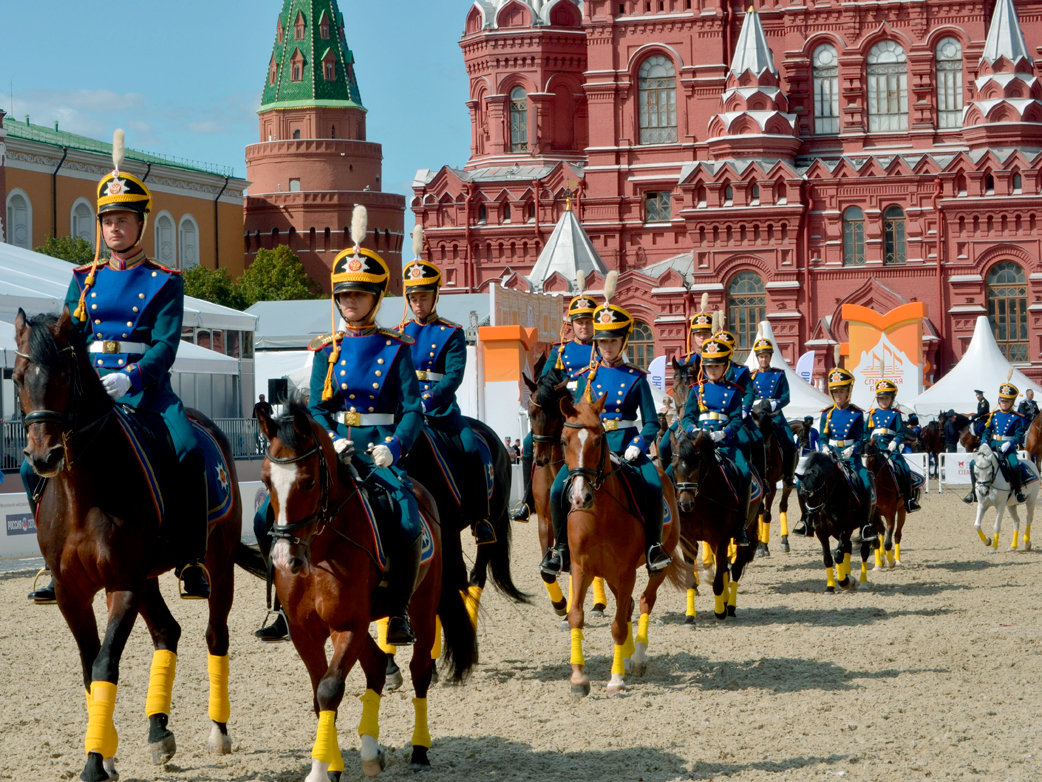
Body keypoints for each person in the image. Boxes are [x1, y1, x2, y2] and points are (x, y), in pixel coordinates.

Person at [24, 136, 209, 602]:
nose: (114, 228)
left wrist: (133, 376)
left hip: (145, 392)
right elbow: (67, 338)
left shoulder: (164, 281)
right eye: (108, 220)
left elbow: (166, 345)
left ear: (140, 223)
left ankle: (189, 556)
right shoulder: (81, 281)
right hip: (88, 395)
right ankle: (54, 562)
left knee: (188, 450)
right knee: (34, 470)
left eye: (122, 220)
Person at [540, 298, 672, 576]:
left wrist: (639, 445)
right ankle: (560, 549)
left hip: (626, 445)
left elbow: (650, 423)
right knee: (555, 490)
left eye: (612, 341)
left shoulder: (637, 378)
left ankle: (653, 547)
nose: (607, 347)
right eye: (602, 342)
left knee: (654, 485)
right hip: (591, 449)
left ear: (623, 342)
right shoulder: (586, 377)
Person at [399, 238, 494, 545]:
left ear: (435, 296)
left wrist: (425, 402)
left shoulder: (451, 332)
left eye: (423, 297)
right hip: (405, 412)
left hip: (440, 413)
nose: (418, 303)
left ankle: (481, 519)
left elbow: (453, 376)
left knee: (470, 449)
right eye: (413, 297)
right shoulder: (399, 335)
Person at [511, 286, 597, 521]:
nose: (583, 326)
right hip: (563, 413)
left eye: (588, 321)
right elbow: (545, 382)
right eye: (579, 322)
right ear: (572, 325)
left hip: (591, 415)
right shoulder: (560, 352)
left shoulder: (603, 351)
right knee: (529, 442)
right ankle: (528, 500)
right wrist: (556, 389)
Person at [679, 335, 752, 546]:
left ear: (725, 366)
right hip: (700, 442)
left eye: (717, 366)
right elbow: (688, 417)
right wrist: (695, 431)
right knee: (675, 471)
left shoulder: (734, 391)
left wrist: (724, 433)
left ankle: (740, 527)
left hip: (725, 443)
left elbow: (737, 419)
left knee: (745, 473)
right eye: (709, 366)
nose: (712, 370)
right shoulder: (695, 390)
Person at [820, 367, 874, 539]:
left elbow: (862, 437)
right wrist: (824, 447)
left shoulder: (857, 414)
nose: (838, 395)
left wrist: (853, 449)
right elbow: (822, 436)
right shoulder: (827, 414)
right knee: (809, 483)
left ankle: (865, 524)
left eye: (841, 391)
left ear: (848, 392)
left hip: (851, 458)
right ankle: (808, 519)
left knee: (865, 482)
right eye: (835, 391)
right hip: (831, 457)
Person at [658, 307, 714, 468]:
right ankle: (667, 483)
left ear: (711, 334)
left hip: (710, 415)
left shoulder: (720, 361)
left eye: (705, 333)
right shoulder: (684, 362)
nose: (702, 337)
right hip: (687, 415)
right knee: (663, 445)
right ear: (693, 336)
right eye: (698, 334)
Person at [964, 382, 1028, 505]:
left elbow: (1019, 435)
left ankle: (1018, 491)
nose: (1004, 403)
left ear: (1012, 402)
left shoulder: (1016, 417)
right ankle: (973, 492)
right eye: (1002, 401)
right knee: (973, 463)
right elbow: (987, 431)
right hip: (994, 444)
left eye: (1007, 401)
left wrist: (1010, 443)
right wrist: (984, 442)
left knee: (1014, 464)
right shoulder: (994, 415)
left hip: (1007, 446)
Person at [866, 379, 921, 512]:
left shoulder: (895, 415)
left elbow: (901, 433)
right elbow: (865, 433)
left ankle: (908, 500)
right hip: (874, 449)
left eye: (887, 398)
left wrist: (895, 442)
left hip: (890, 450)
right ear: (878, 399)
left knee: (904, 469)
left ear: (891, 399)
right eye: (881, 398)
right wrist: (867, 444)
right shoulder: (872, 414)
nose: (884, 401)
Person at [750, 338, 798, 486]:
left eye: (766, 356)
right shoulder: (751, 376)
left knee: (790, 442)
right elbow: (747, 395)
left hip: (774, 415)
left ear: (770, 357)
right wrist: (756, 403)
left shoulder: (779, 375)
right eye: (761, 356)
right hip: (756, 415)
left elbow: (786, 397)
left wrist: (773, 403)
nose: (763, 359)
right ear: (757, 358)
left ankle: (788, 476)